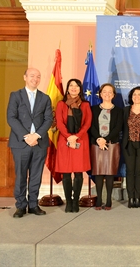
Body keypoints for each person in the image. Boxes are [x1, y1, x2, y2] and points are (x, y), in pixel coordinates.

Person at [7, 68, 53, 218]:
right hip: (21, 142)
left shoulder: (45, 98)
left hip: (39, 143)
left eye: (38, 76)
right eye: (32, 76)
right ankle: (20, 206)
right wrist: (26, 136)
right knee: (20, 175)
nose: (35, 78)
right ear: (25, 77)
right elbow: (11, 118)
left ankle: (33, 204)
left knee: (35, 175)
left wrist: (37, 135)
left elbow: (48, 120)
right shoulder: (15, 96)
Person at [55, 79, 92, 213]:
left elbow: (87, 123)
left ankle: (75, 201)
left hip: (80, 141)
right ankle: (68, 202)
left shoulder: (86, 105)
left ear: (80, 89)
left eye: (76, 86)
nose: (74, 88)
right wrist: (68, 136)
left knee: (78, 173)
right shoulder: (61, 104)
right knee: (66, 174)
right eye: (71, 86)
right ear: (67, 88)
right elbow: (59, 123)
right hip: (64, 141)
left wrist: (76, 136)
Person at [90, 83, 123, 210]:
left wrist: (106, 140)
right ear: (100, 94)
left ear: (113, 95)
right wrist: (99, 139)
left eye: (110, 92)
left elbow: (118, 127)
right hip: (97, 143)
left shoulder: (119, 110)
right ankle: (99, 200)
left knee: (110, 173)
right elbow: (91, 126)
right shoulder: (93, 109)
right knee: (98, 172)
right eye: (105, 91)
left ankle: (108, 200)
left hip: (112, 144)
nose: (107, 94)